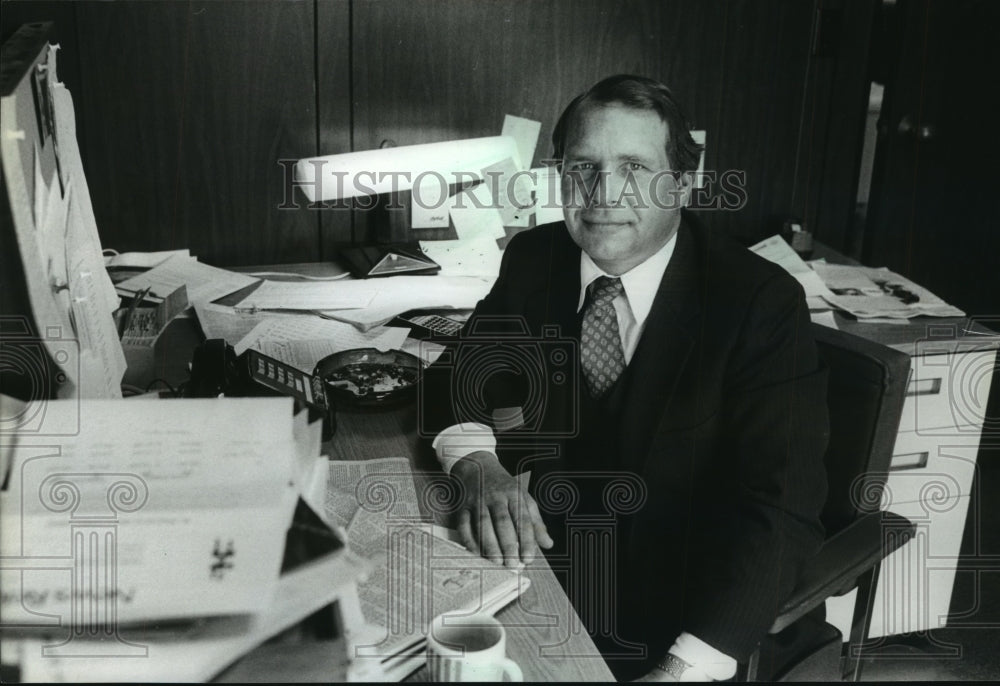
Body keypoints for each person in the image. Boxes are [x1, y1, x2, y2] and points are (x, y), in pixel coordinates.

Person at [419, 74, 829, 681]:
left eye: (635, 167)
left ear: (684, 183)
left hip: (682, 613)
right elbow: (457, 378)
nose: (604, 193)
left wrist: (682, 669)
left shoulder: (759, 304)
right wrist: (479, 465)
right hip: (547, 574)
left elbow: (781, 509)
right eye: (583, 167)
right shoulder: (537, 258)